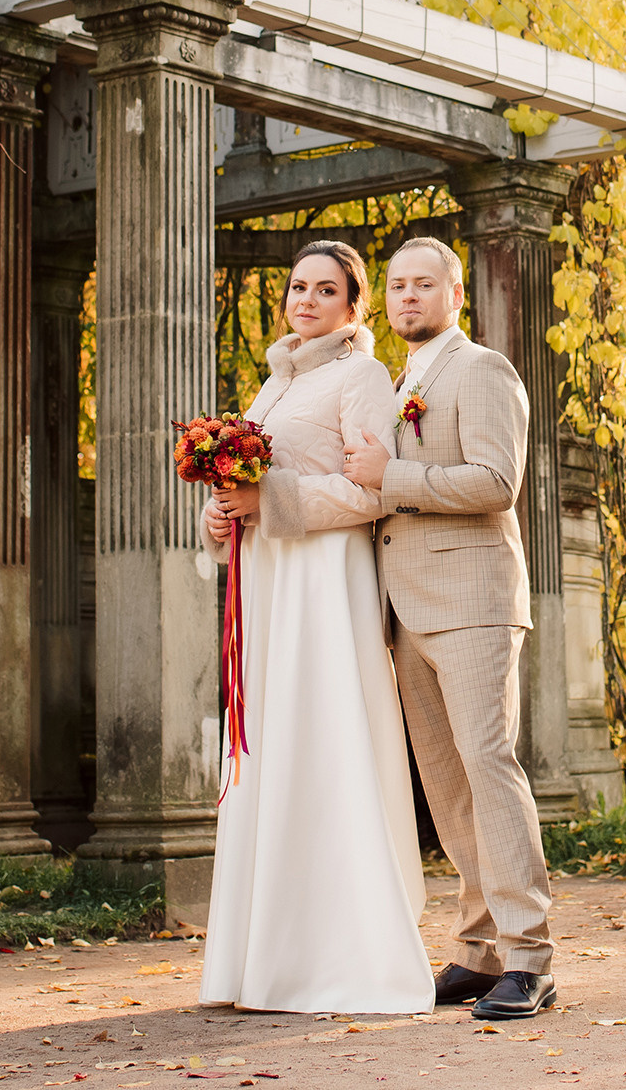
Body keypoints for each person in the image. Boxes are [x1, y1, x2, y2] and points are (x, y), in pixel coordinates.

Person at [195, 240, 433, 1016]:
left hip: (325, 583)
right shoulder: (270, 385)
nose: (306, 299)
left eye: (325, 289)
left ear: (352, 305)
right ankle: (261, 956)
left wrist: (275, 503)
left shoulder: (361, 376)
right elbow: (252, 488)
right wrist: (222, 514)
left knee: (322, 740)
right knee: (271, 746)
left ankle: (341, 953)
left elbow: (370, 493)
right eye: (298, 286)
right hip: (267, 582)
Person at [341, 235, 558, 1021]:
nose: (407, 298)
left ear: (455, 294)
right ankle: (478, 948)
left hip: (473, 604)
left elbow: (497, 481)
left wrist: (391, 477)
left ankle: (530, 957)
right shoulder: (397, 382)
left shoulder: (484, 370)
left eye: (423, 285)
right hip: (406, 613)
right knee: (448, 787)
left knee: (489, 767)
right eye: (396, 285)